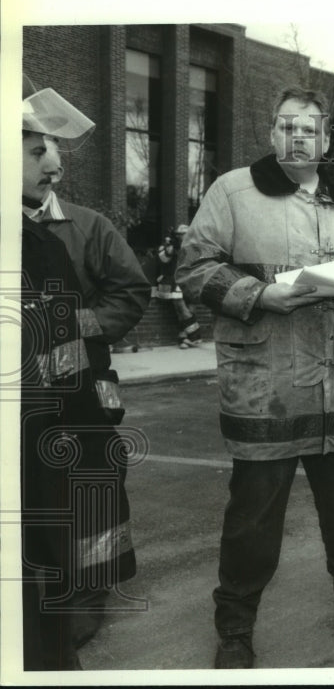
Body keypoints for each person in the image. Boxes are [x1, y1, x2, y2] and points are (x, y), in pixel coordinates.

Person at [176, 85, 334, 670]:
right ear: (272, 134)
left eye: (308, 127)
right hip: (268, 386)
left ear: (325, 139)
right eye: (285, 126)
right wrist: (258, 294)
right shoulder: (233, 190)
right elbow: (194, 269)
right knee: (252, 517)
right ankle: (235, 625)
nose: (296, 135)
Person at [22, 78, 148, 650]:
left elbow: (130, 291)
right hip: (29, 398)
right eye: (37, 151)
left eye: (54, 153)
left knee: (93, 486)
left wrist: (76, 328)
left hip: (85, 386)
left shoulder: (89, 226)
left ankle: (89, 590)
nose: (54, 166)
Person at [154, 224, 203, 347]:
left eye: (186, 234)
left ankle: (183, 337)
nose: (184, 236)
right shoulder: (167, 245)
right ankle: (195, 335)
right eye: (181, 234)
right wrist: (171, 247)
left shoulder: (194, 247)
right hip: (171, 281)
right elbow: (163, 260)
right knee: (180, 306)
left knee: (190, 307)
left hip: (189, 280)